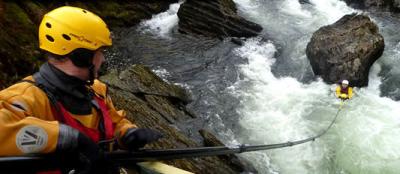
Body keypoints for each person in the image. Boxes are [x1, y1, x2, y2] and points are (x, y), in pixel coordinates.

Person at [0, 6, 162, 173]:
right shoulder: (24, 98)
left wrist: (127, 134)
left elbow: (113, 122)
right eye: (100, 52)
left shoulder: (96, 90)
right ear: (82, 57)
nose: (103, 59)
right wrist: (69, 138)